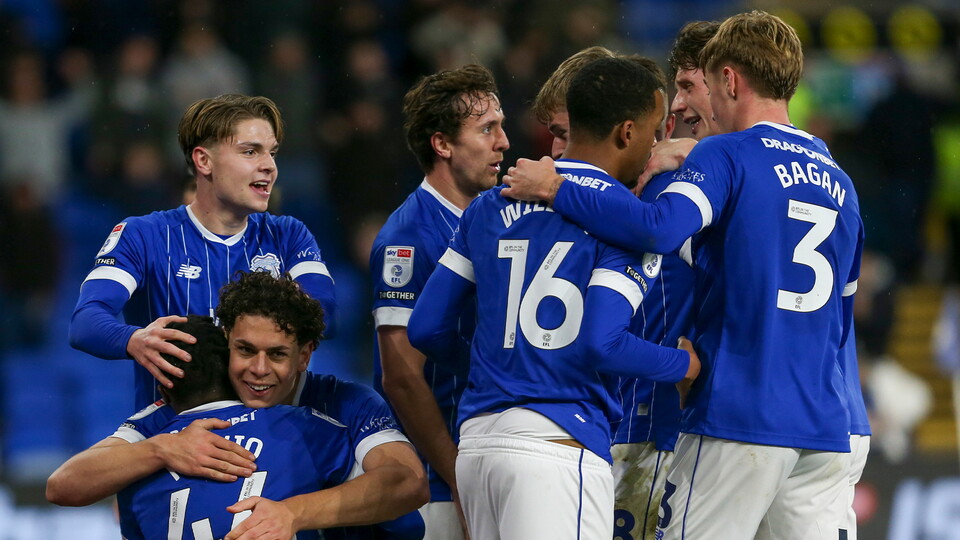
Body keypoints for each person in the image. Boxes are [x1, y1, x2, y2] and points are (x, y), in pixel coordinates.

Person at [502, 11, 864, 539]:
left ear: (730, 80)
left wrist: (558, 188)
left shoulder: (726, 153)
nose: (693, 106)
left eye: (702, 86)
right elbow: (843, 311)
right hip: (825, 427)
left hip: (738, 413)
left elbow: (659, 229)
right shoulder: (839, 179)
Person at [407, 57, 699, 540]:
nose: (655, 145)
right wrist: (682, 367)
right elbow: (602, 344)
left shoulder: (488, 204)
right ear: (627, 132)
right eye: (653, 131)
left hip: (479, 446)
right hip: (558, 444)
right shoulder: (627, 220)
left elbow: (425, 329)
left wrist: (501, 363)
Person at [49, 271, 428, 539]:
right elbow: (64, 485)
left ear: (304, 355)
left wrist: (293, 514)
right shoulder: (171, 416)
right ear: (228, 339)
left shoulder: (344, 403)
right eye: (245, 350)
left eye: (277, 355)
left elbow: (407, 483)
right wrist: (163, 449)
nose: (258, 370)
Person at [69, 93, 337, 410]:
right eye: (251, 152)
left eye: (272, 153)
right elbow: (86, 321)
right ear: (203, 161)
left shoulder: (289, 235)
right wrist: (135, 340)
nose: (269, 166)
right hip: (173, 438)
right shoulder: (143, 235)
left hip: (269, 440)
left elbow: (326, 316)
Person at [51, 315, 355, 540]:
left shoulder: (133, 474)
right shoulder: (308, 428)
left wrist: (157, 449)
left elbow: (60, 486)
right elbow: (391, 488)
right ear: (234, 369)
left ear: (163, 391)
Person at [371, 63, 508, 540]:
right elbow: (401, 376)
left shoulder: (495, 216)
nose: (503, 142)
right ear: (443, 144)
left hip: (486, 464)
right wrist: (459, 479)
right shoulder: (408, 238)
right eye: (487, 129)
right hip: (439, 487)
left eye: (501, 126)